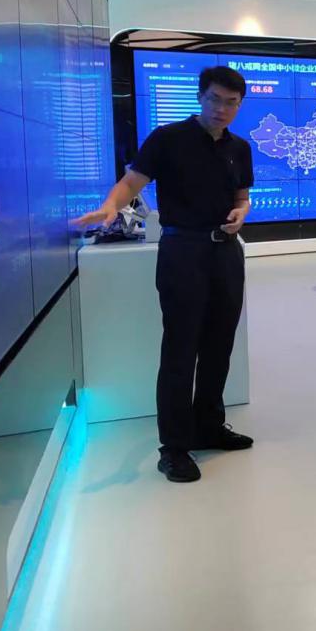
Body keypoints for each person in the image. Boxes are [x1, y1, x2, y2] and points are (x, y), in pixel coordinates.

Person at [76, 66, 255, 484]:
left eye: (231, 102)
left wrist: (242, 212)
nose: (222, 109)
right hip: (183, 251)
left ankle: (208, 425)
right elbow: (132, 182)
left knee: (219, 344)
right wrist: (110, 205)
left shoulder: (240, 148)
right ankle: (174, 447)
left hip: (226, 252)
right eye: (215, 99)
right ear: (200, 97)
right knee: (181, 347)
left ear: (239, 105)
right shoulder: (168, 138)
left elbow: (242, 196)